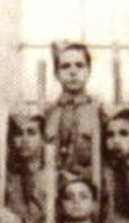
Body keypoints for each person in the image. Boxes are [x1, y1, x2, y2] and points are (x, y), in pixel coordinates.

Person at [44, 40, 104, 178]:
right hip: (54, 184)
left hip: (89, 184)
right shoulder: (48, 113)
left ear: (88, 71)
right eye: (65, 66)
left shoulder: (99, 110)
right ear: (56, 73)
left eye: (79, 65)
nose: (73, 72)